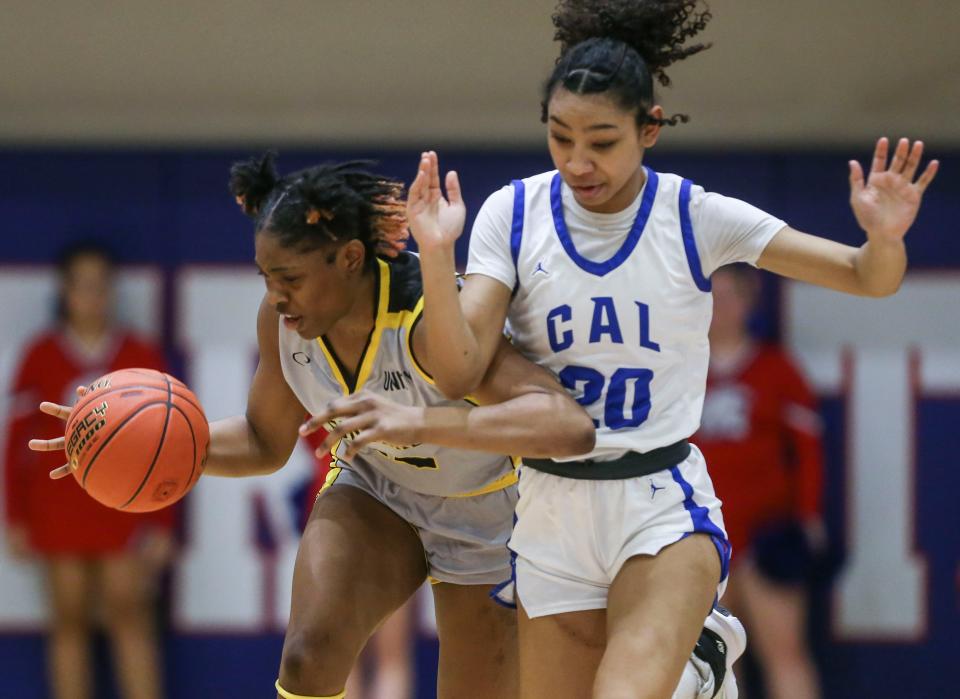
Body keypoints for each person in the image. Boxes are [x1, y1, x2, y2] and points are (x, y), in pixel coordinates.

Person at [400, 0, 939, 696]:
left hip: (657, 498)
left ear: (648, 129)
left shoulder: (694, 215)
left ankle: (696, 662)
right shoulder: (515, 211)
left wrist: (885, 239)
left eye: (602, 141)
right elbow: (455, 367)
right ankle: (694, 679)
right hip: (547, 507)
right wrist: (437, 257)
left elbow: (867, 278)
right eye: (560, 138)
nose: (577, 161)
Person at [31, 154, 597, 699]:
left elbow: (567, 425)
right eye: (266, 277)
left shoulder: (427, 318)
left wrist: (425, 419)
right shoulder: (283, 323)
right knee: (308, 656)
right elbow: (262, 440)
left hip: (488, 511)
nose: (277, 296)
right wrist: (135, 447)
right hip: (378, 493)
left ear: (350, 257)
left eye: (290, 278)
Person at [4, 242, 174, 699]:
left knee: (130, 618)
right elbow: (15, 444)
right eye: (82, 285)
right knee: (68, 621)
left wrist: (163, 520)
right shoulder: (39, 354)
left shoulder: (140, 353)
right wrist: (15, 516)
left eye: (101, 285)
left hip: (124, 507)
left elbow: (172, 446)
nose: (92, 295)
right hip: (56, 507)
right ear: (64, 290)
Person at [695, 265, 825, 699]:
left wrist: (807, 518)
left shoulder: (776, 369)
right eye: (713, 295)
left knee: (784, 652)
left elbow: (807, 452)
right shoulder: (678, 370)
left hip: (765, 537)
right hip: (700, 539)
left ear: (750, 301)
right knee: (714, 663)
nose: (721, 307)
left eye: (732, 295)